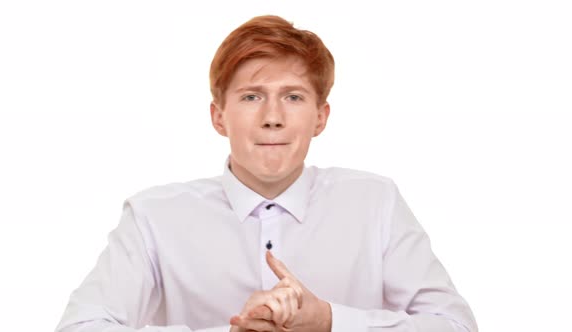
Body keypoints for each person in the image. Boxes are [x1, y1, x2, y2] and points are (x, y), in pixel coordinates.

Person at [55, 15, 478, 332]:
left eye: (293, 97)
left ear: (320, 117)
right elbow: (81, 327)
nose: (272, 118)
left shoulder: (376, 203)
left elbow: (454, 325)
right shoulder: (153, 216)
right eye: (252, 96)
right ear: (219, 117)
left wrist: (331, 321)